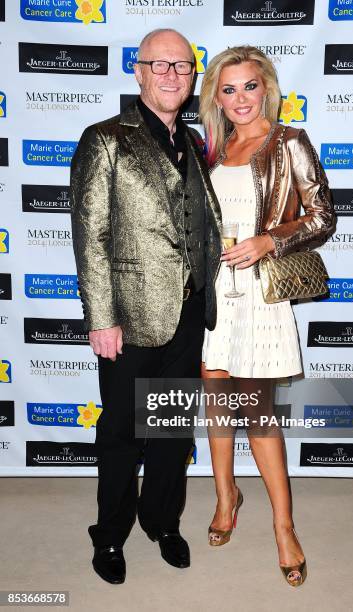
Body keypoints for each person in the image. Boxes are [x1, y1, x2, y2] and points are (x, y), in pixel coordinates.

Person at [70, 28, 221, 584]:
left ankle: (162, 521)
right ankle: (109, 536)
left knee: (170, 430)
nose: (172, 75)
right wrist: (101, 318)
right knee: (122, 434)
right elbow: (91, 237)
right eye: (160, 65)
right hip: (128, 320)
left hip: (187, 315)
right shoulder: (105, 138)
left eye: (182, 66)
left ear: (191, 75)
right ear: (138, 71)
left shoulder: (196, 143)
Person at [200, 46, 336, 587]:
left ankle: (284, 525)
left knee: (256, 412)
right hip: (211, 293)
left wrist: (269, 240)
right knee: (216, 403)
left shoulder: (289, 142)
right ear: (216, 95)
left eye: (248, 87)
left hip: (259, 294)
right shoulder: (209, 148)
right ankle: (226, 497)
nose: (239, 99)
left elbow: (323, 215)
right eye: (227, 89)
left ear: (267, 88)